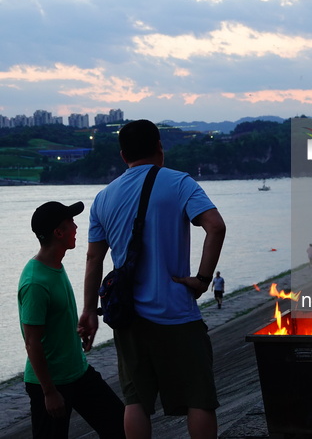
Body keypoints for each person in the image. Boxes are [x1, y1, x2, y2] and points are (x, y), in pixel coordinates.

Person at [78, 119, 226, 439]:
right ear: (160, 147)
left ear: (122, 155)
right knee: (199, 399)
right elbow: (215, 226)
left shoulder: (104, 198)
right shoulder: (179, 182)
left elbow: (94, 258)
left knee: (136, 401)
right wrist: (201, 279)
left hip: (128, 316)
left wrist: (89, 311)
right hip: (177, 312)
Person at [18, 201, 125, 439]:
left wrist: (75, 326)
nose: (76, 227)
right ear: (58, 232)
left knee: (120, 428)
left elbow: (53, 320)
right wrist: (49, 392)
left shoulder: (55, 265)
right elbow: (32, 342)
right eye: (71, 223)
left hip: (78, 371)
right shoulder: (35, 282)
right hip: (50, 383)